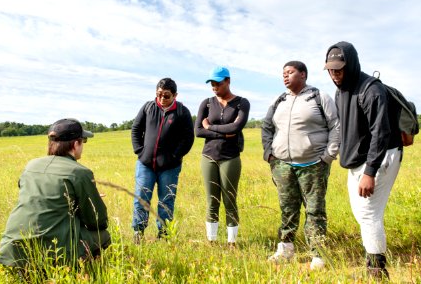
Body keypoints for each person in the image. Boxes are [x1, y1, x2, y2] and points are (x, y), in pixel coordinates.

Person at [324, 41, 402, 278]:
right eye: (330, 69)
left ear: (352, 64)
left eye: (339, 69)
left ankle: (377, 271)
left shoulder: (371, 90)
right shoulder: (341, 91)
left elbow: (381, 133)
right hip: (358, 160)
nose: (335, 74)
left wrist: (370, 172)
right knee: (361, 213)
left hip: (380, 157)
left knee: (368, 214)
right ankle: (373, 257)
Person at [0, 118, 110, 272]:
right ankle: (83, 273)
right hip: (54, 252)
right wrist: (87, 201)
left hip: (13, 248)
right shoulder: (80, 172)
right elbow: (97, 221)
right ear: (76, 144)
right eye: (83, 141)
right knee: (103, 235)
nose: (83, 145)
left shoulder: (31, 165)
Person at [261, 61, 340, 269]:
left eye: (290, 72)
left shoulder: (319, 97)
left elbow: (336, 126)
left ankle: (318, 254)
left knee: (314, 209)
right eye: (283, 73)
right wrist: (269, 153)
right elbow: (267, 126)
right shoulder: (279, 100)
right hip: (283, 165)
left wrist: (328, 156)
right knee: (287, 208)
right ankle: (286, 249)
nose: (285, 76)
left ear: (303, 74)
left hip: (314, 164)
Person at [131, 78, 194, 243]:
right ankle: (138, 233)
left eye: (166, 96)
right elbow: (136, 129)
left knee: (166, 202)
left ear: (175, 95)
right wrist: (139, 150)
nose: (162, 99)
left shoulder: (182, 112)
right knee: (141, 198)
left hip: (170, 167)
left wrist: (174, 156)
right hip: (145, 165)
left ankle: (164, 235)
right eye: (159, 95)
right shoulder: (148, 107)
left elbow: (188, 138)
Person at [195, 66, 250, 246]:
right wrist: (222, 133)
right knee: (212, 199)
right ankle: (211, 241)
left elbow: (235, 128)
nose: (214, 86)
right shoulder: (207, 103)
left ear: (228, 81)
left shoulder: (242, 103)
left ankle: (231, 242)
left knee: (229, 198)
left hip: (230, 157)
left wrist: (210, 127)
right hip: (209, 157)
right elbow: (198, 131)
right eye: (212, 83)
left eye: (218, 83)